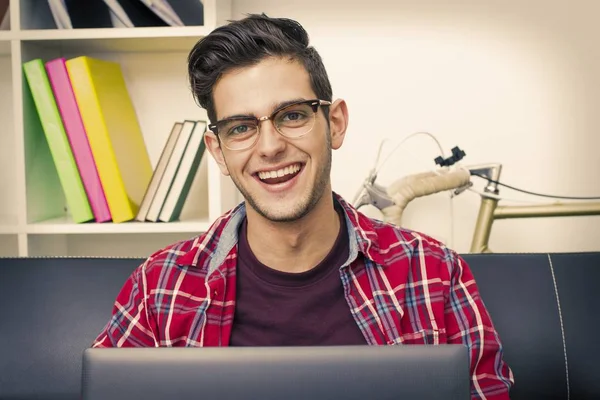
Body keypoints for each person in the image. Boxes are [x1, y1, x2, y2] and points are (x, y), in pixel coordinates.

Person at [92, 13, 514, 399]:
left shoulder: (434, 271)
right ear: (218, 150)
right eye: (241, 127)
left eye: (292, 115)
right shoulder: (158, 287)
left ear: (334, 123)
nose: (271, 147)